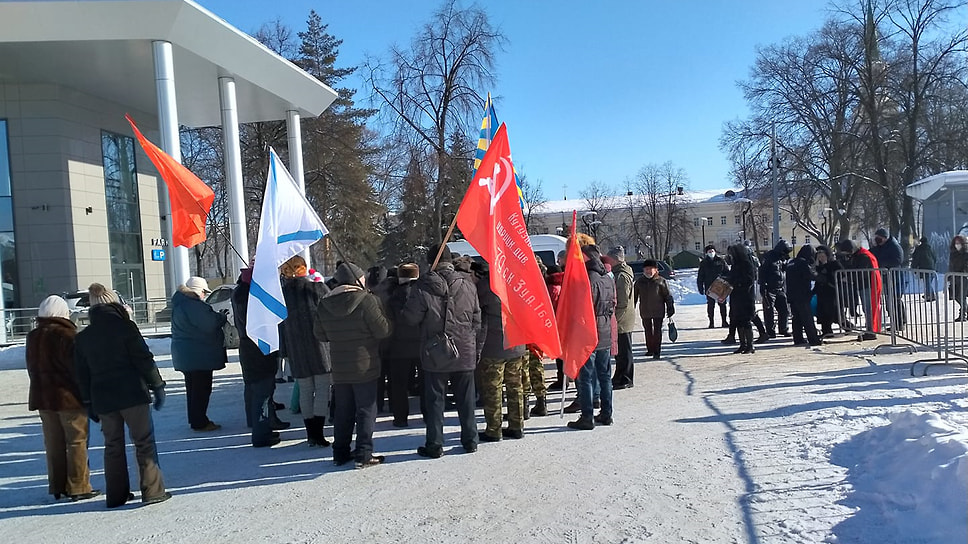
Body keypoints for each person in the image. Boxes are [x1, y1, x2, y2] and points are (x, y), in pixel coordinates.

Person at [74, 283, 170, 508]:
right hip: (132, 393)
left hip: (104, 398)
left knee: (112, 446)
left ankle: (116, 495)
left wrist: (88, 402)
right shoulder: (126, 327)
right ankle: (153, 491)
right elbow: (143, 359)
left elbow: (81, 374)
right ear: (113, 303)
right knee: (144, 442)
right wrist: (156, 385)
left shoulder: (83, 337)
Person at [403, 244, 482, 457]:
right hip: (464, 348)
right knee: (466, 399)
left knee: (435, 400)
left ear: (431, 262)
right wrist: (469, 338)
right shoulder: (468, 283)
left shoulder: (423, 286)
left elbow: (411, 318)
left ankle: (435, 444)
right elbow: (477, 318)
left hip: (434, 349)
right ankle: (470, 440)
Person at [315, 262, 391, 469]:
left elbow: (320, 334)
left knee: (343, 411)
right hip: (365, 364)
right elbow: (383, 331)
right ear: (357, 279)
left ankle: (340, 452)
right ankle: (364, 453)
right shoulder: (367, 301)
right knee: (366, 409)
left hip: (339, 366)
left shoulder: (324, 303)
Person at [26, 295, 99, 502]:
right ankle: (79, 486)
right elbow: (76, 369)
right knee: (76, 441)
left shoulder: (33, 336)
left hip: (43, 397)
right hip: (68, 398)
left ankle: (57, 485)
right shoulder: (68, 335)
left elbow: (32, 367)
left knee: (53, 443)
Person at [280, 255, 333, 447]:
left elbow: (279, 325)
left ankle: (310, 434)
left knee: (305, 390)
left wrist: (284, 351)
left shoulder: (282, 294)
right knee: (321, 389)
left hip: (296, 348)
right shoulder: (316, 289)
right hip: (319, 347)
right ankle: (319, 433)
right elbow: (331, 310)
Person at [232, 266, 284, 448]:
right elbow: (260, 321)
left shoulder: (239, 292)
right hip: (258, 349)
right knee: (262, 393)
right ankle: (261, 433)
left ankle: (259, 426)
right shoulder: (249, 297)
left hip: (249, 349)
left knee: (255, 390)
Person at [476, 262, 527, 442]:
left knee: (493, 389)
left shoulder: (486, 286)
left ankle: (493, 429)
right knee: (515, 387)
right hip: (516, 343)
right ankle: (517, 426)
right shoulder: (518, 283)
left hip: (494, 346)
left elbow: (478, 311)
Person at [567, 245, 616, 431]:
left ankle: (587, 417)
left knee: (585, 377)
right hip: (604, 330)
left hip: (588, 332)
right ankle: (606, 413)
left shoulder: (586, 279)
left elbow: (581, 308)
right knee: (604, 376)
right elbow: (612, 304)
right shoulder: (607, 278)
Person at [170, 276, 226, 432]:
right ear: (197, 291)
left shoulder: (180, 303)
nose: (204, 295)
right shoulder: (193, 305)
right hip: (199, 354)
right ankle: (200, 421)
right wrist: (221, 317)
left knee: (193, 389)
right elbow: (210, 324)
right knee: (201, 390)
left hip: (187, 354)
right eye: (203, 292)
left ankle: (195, 419)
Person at [384, 263, 422, 427]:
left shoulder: (391, 296)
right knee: (426, 382)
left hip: (398, 346)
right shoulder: (423, 293)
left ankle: (400, 417)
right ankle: (428, 414)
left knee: (399, 385)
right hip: (422, 344)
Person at [603, 246, 636, 389]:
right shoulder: (618, 273)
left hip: (622, 319)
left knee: (624, 350)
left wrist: (615, 318)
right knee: (620, 351)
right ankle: (619, 375)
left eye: (609, 259)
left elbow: (622, 301)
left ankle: (626, 378)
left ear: (615, 259)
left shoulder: (621, 276)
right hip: (621, 318)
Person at [836, 239, 882, 335]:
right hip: (864, 285)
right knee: (867, 309)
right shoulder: (859, 255)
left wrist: (848, 278)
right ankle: (870, 329)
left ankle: (871, 331)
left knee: (869, 308)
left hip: (868, 285)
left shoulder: (863, 256)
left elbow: (862, 272)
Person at [633, 259, 675, 360]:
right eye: (646, 269)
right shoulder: (639, 282)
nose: (648, 271)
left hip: (658, 310)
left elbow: (667, 295)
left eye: (650, 269)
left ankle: (657, 351)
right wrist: (631, 308)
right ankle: (650, 349)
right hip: (645, 310)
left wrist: (670, 307)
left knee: (657, 331)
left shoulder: (661, 281)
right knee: (647, 331)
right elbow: (634, 297)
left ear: (656, 270)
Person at [870, 227, 906, 330]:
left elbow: (898, 260)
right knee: (890, 301)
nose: (877, 240)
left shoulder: (894, 246)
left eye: (878, 238)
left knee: (895, 300)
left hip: (895, 277)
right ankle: (896, 321)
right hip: (886, 277)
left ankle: (900, 323)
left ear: (884, 238)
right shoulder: (881, 247)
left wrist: (881, 264)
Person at [785, 246, 822, 346]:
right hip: (802, 294)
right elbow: (810, 275)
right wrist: (820, 277)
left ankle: (798, 338)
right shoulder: (803, 263)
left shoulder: (791, 263)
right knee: (807, 318)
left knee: (796, 318)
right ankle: (813, 339)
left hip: (792, 295)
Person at [725, 244, 758, 354]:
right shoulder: (735, 266)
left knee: (746, 321)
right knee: (738, 320)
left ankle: (750, 345)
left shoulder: (747, 264)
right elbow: (731, 277)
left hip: (746, 297)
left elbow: (749, 280)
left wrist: (737, 283)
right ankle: (742, 344)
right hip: (736, 297)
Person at [759, 240, 793, 337]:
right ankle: (770, 330)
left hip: (780, 287)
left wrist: (786, 262)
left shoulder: (782, 258)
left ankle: (783, 328)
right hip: (769, 288)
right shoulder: (768, 257)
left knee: (784, 310)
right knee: (769, 310)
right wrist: (763, 286)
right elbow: (762, 272)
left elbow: (784, 270)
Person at [813, 246, 844, 337]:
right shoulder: (817, 267)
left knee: (833, 312)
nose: (821, 258)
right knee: (823, 312)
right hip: (821, 292)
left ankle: (846, 326)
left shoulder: (834, 264)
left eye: (823, 256)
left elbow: (841, 275)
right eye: (819, 256)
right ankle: (826, 331)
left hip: (832, 292)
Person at [545, 264, 566, 391]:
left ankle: (562, 379)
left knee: (559, 354)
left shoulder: (552, 288)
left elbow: (550, 308)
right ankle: (565, 378)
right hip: (563, 323)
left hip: (556, 325)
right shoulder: (563, 285)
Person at [697, 245, 729, 329]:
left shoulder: (721, 260)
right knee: (711, 305)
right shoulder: (704, 263)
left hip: (720, 285)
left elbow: (727, 272)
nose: (711, 253)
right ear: (706, 253)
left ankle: (724, 321)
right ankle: (711, 322)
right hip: (709, 286)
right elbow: (700, 276)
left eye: (712, 251)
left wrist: (726, 281)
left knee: (722, 304)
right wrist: (700, 287)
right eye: (709, 251)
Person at [948, 235, 968, 321]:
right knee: (955, 296)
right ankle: (965, 310)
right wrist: (949, 276)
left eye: (959, 243)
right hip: (954, 277)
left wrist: (964, 271)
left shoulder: (966, 253)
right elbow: (950, 266)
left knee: (961, 296)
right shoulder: (953, 253)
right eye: (956, 243)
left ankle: (962, 314)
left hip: (963, 277)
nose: (957, 245)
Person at [911, 237, 937, 302]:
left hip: (924, 267)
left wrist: (913, 268)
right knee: (928, 282)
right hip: (931, 268)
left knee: (927, 282)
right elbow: (935, 257)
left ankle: (930, 295)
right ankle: (928, 294)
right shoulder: (931, 248)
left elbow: (916, 259)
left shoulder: (919, 249)